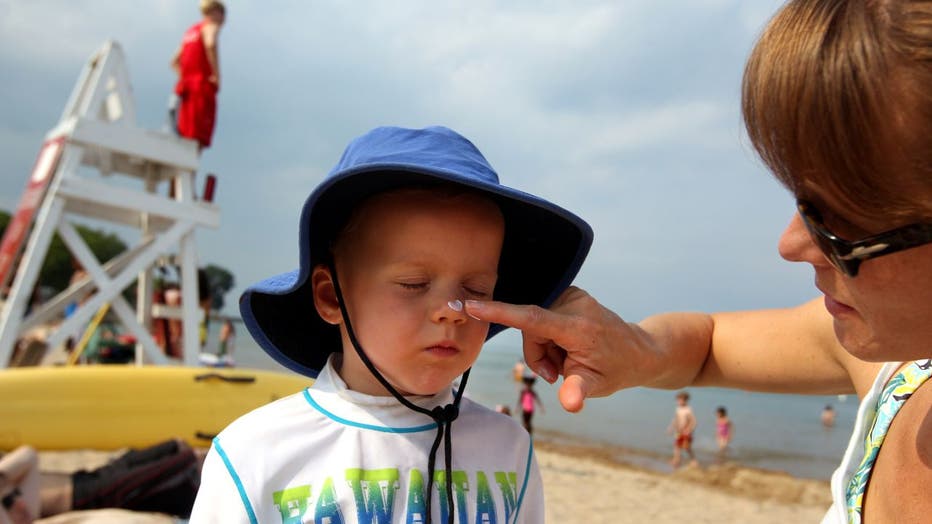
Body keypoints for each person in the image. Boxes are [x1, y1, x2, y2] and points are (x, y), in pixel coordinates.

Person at [462, 1, 932, 522]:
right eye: (802, 203)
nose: (791, 244)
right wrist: (635, 347)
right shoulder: (898, 365)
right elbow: (708, 345)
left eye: (840, 222)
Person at [189, 126, 592, 523]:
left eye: (476, 289)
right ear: (332, 297)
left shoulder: (509, 451)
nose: (452, 309)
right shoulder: (256, 455)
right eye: (413, 284)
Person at [0, 439, 201, 523]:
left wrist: (9, 494)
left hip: (83, 478)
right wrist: (9, 496)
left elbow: (28, 455)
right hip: (83, 498)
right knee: (180, 464)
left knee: (173, 446)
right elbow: (25, 514)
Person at [171, 0, 225, 152]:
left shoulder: (191, 32)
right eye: (222, 14)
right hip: (201, 89)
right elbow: (210, 44)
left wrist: (185, 77)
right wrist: (216, 75)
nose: (223, 20)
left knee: (185, 137)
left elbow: (175, 62)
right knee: (197, 139)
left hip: (186, 91)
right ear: (215, 12)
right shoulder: (210, 27)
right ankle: (189, 173)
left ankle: (178, 174)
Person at [667, 391, 697, 468]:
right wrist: (671, 427)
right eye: (678, 400)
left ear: (686, 400)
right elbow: (676, 419)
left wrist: (690, 429)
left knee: (687, 447)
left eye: (681, 400)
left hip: (686, 432)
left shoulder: (688, 409)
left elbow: (693, 421)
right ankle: (676, 460)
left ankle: (693, 461)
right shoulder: (678, 409)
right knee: (677, 446)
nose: (679, 402)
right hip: (678, 431)